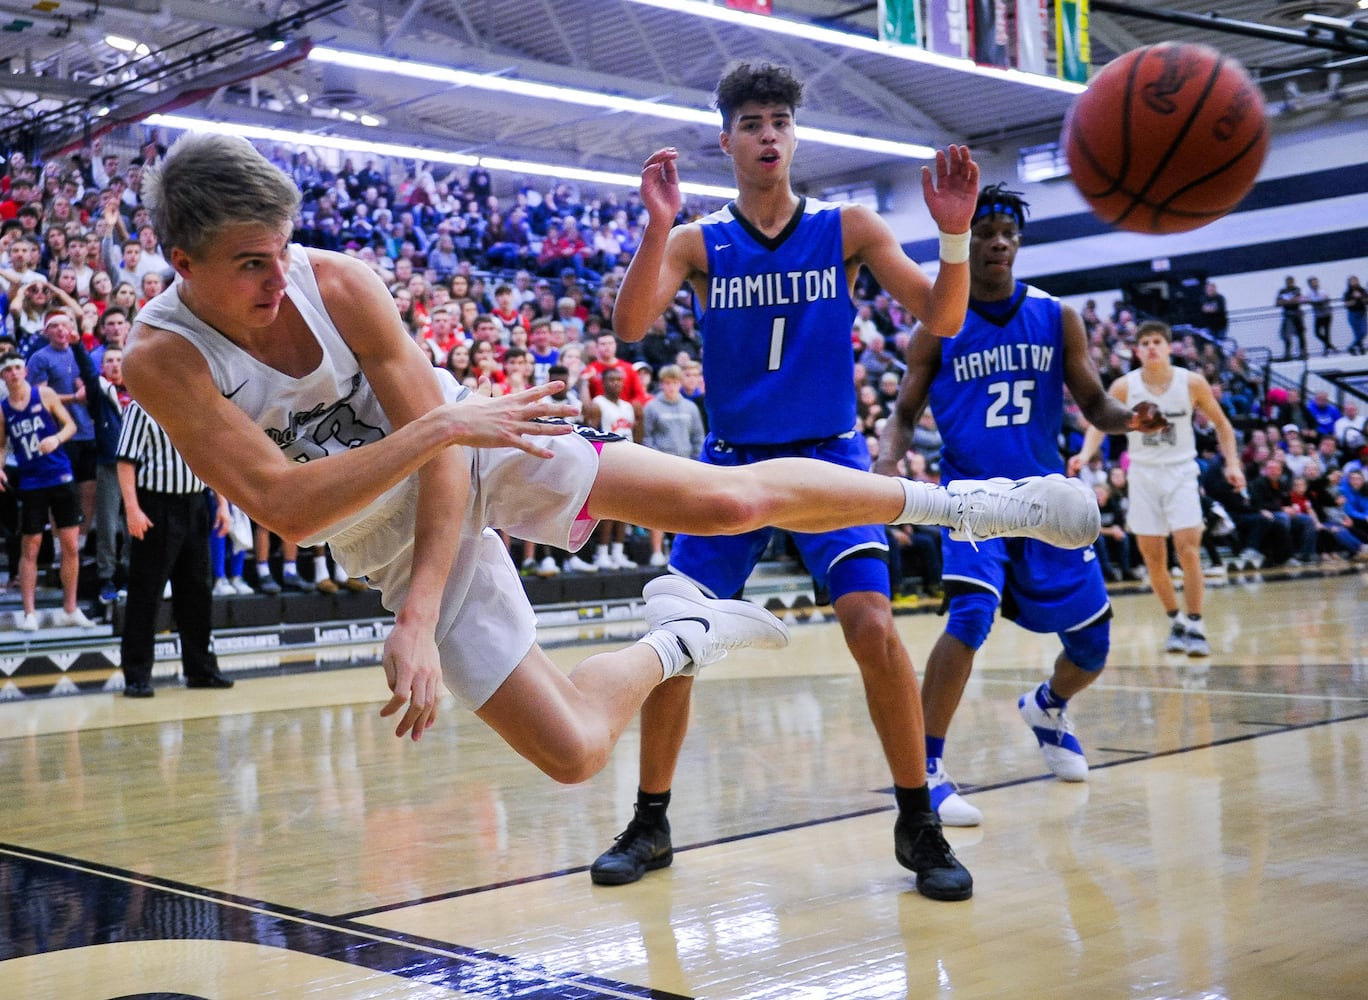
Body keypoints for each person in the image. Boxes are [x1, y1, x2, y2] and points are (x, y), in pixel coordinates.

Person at [124, 132, 1094, 863]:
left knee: (723, 502)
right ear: (184, 264)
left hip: (477, 451)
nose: (277, 278)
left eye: (282, 252)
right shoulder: (160, 358)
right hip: (397, 496)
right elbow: (288, 508)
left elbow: (448, 457)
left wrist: (421, 600)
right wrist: (437, 444)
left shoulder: (336, 284)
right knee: (577, 753)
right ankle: (680, 635)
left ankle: (969, 504)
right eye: (251, 264)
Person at [602, 62, 992, 901]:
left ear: (795, 133)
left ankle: (916, 819)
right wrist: (654, 225)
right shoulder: (697, 241)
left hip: (829, 460)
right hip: (732, 464)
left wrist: (953, 236)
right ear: (728, 140)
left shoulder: (848, 226)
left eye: (779, 119)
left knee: (874, 626)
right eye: (751, 123)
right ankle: (651, 819)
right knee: (678, 638)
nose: (768, 134)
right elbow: (629, 328)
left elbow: (946, 317)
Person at [878, 183, 1167, 828]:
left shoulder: (1057, 316)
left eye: (1009, 231)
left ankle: (1046, 706)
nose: (999, 242)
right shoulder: (939, 323)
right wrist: (886, 467)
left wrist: (1133, 418)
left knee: (1091, 647)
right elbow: (901, 413)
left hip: (1046, 501)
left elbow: (1094, 405)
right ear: (966, 240)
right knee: (970, 617)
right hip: (971, 500)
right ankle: (924, 769)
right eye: (986, 231)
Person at [1072, 321, 1243, 657]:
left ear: (1168, 348)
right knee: (1153, 557)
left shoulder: (1191, 382)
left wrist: (1233, 464)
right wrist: (1084, 454)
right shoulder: (1125, 386)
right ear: (1137, 351)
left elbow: (1223, 426)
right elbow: (1099, 425)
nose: (1151, 347)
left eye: (1157, 342)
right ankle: (1175, 620)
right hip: (1143, 476)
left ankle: (1196, 622)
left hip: (1181, 472)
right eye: (1145, 342)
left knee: (1188, 548)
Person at [116, 401, 235, 697]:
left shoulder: (195, 403)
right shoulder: (140, 407)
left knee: (197, 590)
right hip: (155, 505)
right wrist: (132, 509)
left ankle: (201, 670)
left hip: (195, 504)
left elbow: (210, 459)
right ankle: (137, 674)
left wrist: (221, 503)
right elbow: (125, 461)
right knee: (146, 592)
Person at [0, 351, 96, 630]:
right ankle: (29, 613)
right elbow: (1, 445)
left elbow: (71, 425)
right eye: (9, 370)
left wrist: (56, 438)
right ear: (3, 376)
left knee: (69, 544)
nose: (15, 373)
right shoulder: (4, 409)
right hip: (31, 481)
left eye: (18, 367)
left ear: (25, 371)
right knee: (30, 545)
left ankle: (71, 607)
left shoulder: (45, 395)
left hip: (60, 475)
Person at [640, 364, 705, 567]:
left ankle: (680, 554)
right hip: (662, 465)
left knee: (684, 510)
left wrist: (697, 462)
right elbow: (647, 436)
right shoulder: (651, 407)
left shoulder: (690, 407)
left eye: (675, 383)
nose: (671, 387)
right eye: (667, 383)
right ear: (661, 384)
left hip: (686, 465)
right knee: (658, 509)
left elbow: (697, 437)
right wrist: (653, 461)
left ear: (680, 383)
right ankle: (657, 551)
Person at [1275, 276, 1306, 361]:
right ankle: (1287, 354)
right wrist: (1291, 300)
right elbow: (1277, 303)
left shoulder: (1297, 289)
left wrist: (1285, 300)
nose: (1290, 283)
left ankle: (1303, 353)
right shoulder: (1282, 291)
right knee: (1286, 335)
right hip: (1287, 316)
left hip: (1297, 315)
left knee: (1300, 335)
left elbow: (1299, 300)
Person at [1305, 277, 1334, 355]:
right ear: (1310, 284)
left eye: (1316, 282)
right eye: (1313, 283)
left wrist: (1315, 302)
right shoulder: (1309, 293)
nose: (1315, 284)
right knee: (1317, 333)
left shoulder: (1323, 291)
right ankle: (1330, 345)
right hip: (1318, 315)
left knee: (1327, 332)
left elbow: (1326, 300)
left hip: (1327, 314)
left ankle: (1326, 350)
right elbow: (1306, 301)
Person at [1344, 276, 1367, 356]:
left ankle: (1351, 347)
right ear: (1349, 283)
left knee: (1363, 332)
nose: (1354, 282)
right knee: (1357, 333)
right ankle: (1361, 348)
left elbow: (1366, 301)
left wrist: (1360, 297)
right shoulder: (1347, 293)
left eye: (1355, 280)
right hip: (1353, 314)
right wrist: (1354, 299)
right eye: (1352, 281)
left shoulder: (1362, 290)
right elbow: (1346, 304)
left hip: (1362, 313)